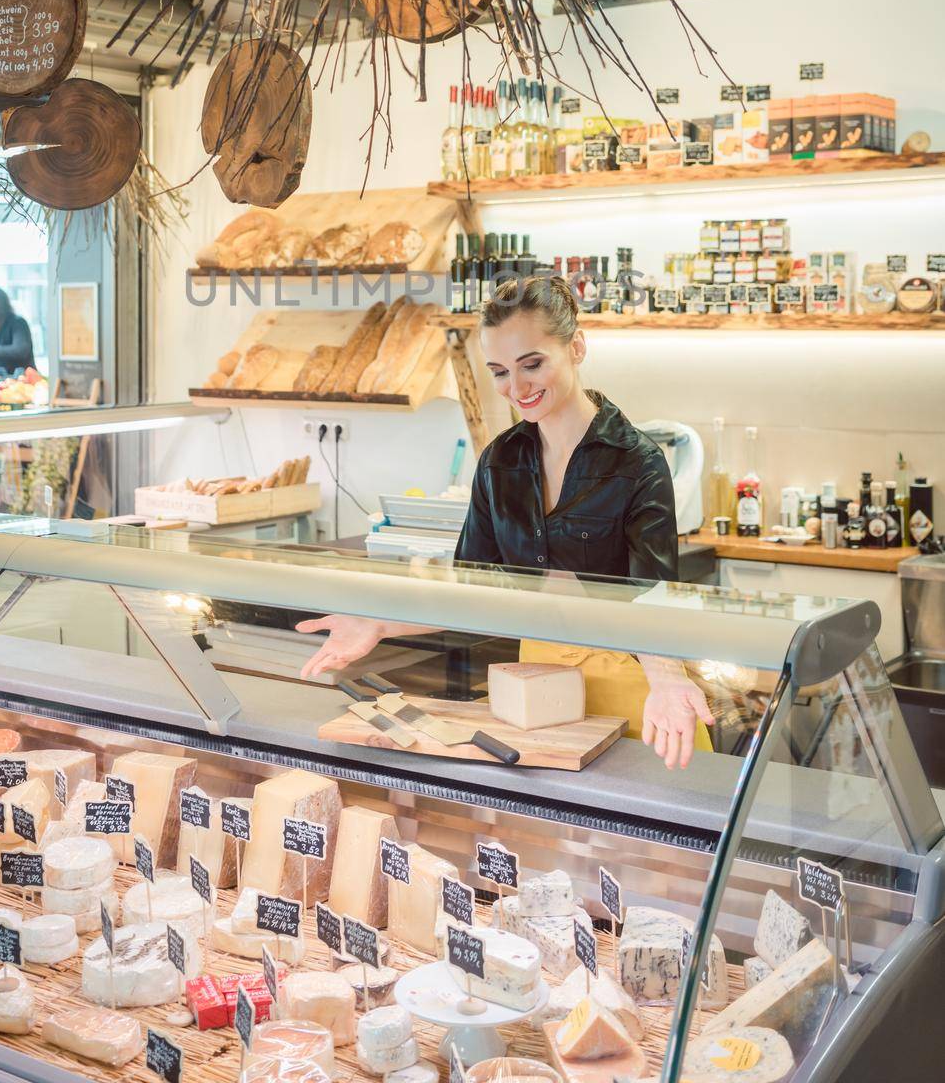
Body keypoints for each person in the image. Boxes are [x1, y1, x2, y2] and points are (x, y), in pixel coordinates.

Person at [297, 274, 714, 771]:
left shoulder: (637, 462)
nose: (516, 388)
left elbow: (654, 600)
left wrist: (667, 680)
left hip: (635, 688)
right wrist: (379, 622)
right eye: (499, 371)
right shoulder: (499, 460)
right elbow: (474, 589)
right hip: (534, 690)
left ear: (576, 347)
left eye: (532, 364)